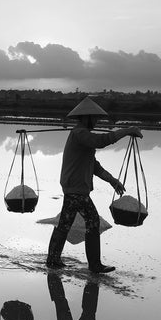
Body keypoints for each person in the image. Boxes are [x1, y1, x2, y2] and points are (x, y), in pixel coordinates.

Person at [45, 97, 141, 274]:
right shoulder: (80, 134)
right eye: (95, 118)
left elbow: (94, 165)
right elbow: (102, 141)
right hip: (76, 189)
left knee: (65, 223)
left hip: (74, 187)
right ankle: (94, 265)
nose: (97, 121)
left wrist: (112, 180)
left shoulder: (82, 136)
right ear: (86, 118)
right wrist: (126, 131)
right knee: (92, 222)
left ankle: (53, 260)